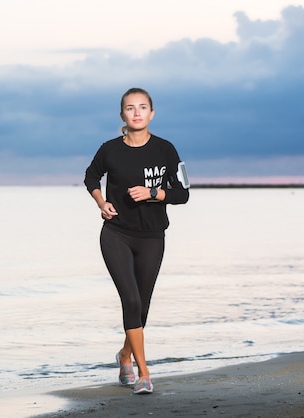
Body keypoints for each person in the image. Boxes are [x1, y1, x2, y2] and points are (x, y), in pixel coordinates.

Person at [84, 87, 190, 394]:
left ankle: (124, 355)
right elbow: (91, 176)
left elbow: (183, 194)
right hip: (116, 234)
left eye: (143, 107)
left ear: (152, 113)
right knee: (130, 300)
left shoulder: (166, 150)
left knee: (141, 306)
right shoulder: (109, 150)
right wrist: (101, 202)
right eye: (130, 108)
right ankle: (144, 374)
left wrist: (154, 193)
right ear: (122, 115)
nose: (137, 112)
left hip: (152, 237)